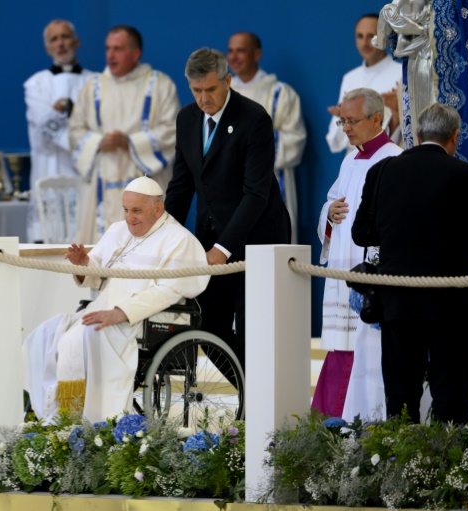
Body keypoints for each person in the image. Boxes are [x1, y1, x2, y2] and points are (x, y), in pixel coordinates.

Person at [23, 176, 210, 422]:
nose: (129, 218)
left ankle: (96, 421)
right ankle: (50, 413)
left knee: (90, 335)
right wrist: (82, 265)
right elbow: (97, 272)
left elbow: (169, 291)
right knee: (45, 334)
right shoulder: (117, 231)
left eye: (137, 211)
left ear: (158, 208)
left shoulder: (179, 240)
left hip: (142, 319)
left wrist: (122, 312)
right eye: (125, 210)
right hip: (104, 311)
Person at [352, 103, 468, 424]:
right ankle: (450, 467)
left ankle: (402, 467)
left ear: (416, 134)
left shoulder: (382, 171)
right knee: (450, 400)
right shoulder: (467, 176)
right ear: (455, 137)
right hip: (451, 303)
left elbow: (361, 234)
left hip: (398, 302)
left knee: (401, 401)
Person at [165, 48, 291, 371]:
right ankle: (249, 395)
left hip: (258, 237)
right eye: (196, 91)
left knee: (253, 328)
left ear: (228, 81)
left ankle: (259, 410)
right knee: (208, 325)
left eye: (210, 89)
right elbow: (181, 187)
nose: (204, 99)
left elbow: (255, 195)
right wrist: (161, 237)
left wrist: (223, 249)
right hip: (211, 239)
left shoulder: (254, 119)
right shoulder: (187, 119)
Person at [314, 88, 402, 420]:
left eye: (352, 121)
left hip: (367, 269)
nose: (346, 128)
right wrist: (328, 212)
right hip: (341, 266)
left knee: (364, 349)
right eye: (342, 121)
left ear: (377, 119)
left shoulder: (392, 158)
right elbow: (332, 202)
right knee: (340, 346)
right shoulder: (349, 158)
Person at [69, 25, 179, 243]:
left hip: (145, 175)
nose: (110, 55)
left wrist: (131, 142)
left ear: (135, 53)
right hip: (103, 180)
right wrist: (99, 141)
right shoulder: (92, 88)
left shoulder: (159, 85)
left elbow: (172, 129)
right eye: (108, 48)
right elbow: (75, 130)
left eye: (118, 49)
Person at [227, 31, 306, 243]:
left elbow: (295, 138)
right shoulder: (222, 94)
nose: (233, 57)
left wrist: (251, 152)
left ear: (257, 54)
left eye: (241, 51)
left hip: (270, 183)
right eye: (230, 51)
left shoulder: (280, 93)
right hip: (229, 184)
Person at [24, 19, 93, 242]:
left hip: (84, 172)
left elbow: (96, 123)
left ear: (77, 41)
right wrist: (75, 123)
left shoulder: (95, 81)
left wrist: (61, 109)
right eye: (54, 39)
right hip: (48, 168)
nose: (61, 43)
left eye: (65, 37)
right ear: (47, 48)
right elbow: (43, 124)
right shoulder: (35, 84)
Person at [326, 14, 402, 154]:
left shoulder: (400, 75)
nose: (365, 43)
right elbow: (334, 142)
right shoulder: (350, 78)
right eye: (360, 36)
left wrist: (396, 116)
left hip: (388, 160)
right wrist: (343, 119)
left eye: (371, 36)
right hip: (354, 160)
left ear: (385, 38)